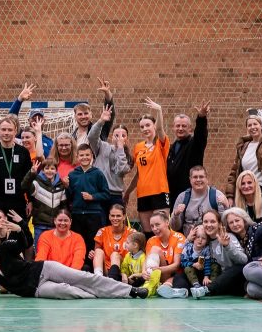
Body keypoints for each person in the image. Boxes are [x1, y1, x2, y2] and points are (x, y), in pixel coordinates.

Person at [0, 224, 145, 300]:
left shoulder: (5, 248)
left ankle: (130, 291)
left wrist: (20, 228)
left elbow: (24, 243)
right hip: (36, 290)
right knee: (66, 291)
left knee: (85, 278)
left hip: (44, 269)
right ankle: (103, 294)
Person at [125, 98, 170, 232]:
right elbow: (139, 173)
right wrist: (127, 192)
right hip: (143, 193)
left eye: (148, 125)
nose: (145, 129)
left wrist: (159, 110)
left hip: (159, 192)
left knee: (161, 231)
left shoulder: (161, 143)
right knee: (148, 233)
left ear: (154, 126)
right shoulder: (138, 147)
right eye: (142, 127)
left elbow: (161, 129)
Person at [0, 117, 32, 221]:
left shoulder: (23, 152)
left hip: (18, 201)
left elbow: (29, 179)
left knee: (19, 229)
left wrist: (30, 200)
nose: (6, 133)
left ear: (15, 131)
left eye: (10, 130)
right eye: (3, 129)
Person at [190, 210, 248, 299]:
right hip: (218, 278)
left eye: (212, 221)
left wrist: (227, 246)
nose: (209, 225)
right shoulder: (206, 241)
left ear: (219, 224)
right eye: (205, 222)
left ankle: (206, 290)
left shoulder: (227, 236)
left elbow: (244, 260)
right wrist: (188, 239)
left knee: (238, 268)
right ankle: (180, 289)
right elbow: (188, 256)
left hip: (234, 278)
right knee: (187, 269)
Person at [65, 143, 110, 257]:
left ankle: (92, 266)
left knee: (92, 244)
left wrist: (93, 197)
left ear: (92, 156)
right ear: (77, 157)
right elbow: (69, 196)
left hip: (93, 214)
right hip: (77, 214)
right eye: (81, 155)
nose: (84, 157)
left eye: (87, 155)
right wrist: (66, 186)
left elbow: (106, 194)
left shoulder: (98, 173)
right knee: (78, 243)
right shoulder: (72, 174)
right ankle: (79, 264)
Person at [87, 105, 131, 213]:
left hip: (115, 195)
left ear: (127, 139)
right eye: (116, 135)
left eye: (123, 135)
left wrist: (120, 149)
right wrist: (101, 121)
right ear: (112, 137)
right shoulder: (103, 146)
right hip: (99, 192)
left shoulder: (128, 156)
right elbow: (91, 137)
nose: (119, 138)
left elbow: (120, 170)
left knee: (115, 221)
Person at [166, 104, 210, 198]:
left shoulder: (194, 144)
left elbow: (200, 134)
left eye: (184, 126)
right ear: (173, 128)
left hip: (189, 195)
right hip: (172, 195)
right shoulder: (171, 148)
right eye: (178, 126)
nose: (180, 128)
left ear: (190, 128)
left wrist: (201, 118)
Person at [170, 166, 229, 236]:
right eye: (195, 177)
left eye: (201, 177)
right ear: (190, 179)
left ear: (207, 179)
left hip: (212, 239)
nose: (198, 180)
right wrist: (176, 215)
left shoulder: (217, 196)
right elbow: (174, 228)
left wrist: (227, 207)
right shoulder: (182, 197)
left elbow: (225, 224)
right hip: (189, 239)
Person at [22, 158, 67, 241]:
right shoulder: (37, 183)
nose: (49, 171)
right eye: (47, 168)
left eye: (52, 168)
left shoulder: (61, 186)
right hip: (40, 225)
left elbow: (64, 206)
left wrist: (62, 221)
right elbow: (24, 186)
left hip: (55, 225)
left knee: (53, 248)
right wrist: (31, 173)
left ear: (56, 171)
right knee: (39, 248)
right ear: (42, 170)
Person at [145, 211, 187, 298]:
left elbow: (176, 266)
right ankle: (152, 283)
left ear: (167, 223)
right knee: (155, 249)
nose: (154, 228)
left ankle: (162, 286)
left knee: (156, 249)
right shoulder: (151, 240)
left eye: (157, 225)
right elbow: (146, 261)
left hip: (176, 275)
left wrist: (158, 269)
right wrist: (143, 272)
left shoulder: (179, 238)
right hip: (159, 274)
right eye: (152, 226)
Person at [92, 204, 131, 277]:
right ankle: (98, 277)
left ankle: (113, 277)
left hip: (124, 270)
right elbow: (96, 253)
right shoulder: (102, 231)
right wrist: (93, 254)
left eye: (118, 216)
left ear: (124, 217)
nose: (115, 218)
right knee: (98, 251)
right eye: (112, 216)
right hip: (105, 269)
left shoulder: (131, 233)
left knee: (115, 255)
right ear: (109, 217)